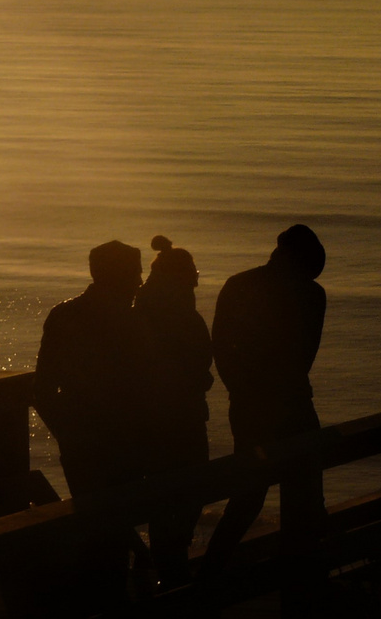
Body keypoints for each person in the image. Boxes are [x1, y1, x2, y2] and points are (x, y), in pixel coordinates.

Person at [198, 224, 328, 588]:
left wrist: (241, 390)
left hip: (255, 405)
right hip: (291, 403)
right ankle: (305, 578)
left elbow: (221, 348)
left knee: (250, 495)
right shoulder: (311, 294)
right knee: (298, 493)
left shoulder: (239, 285)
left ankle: (211, 576)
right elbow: (304, 356)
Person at [31, 239, 148, 613]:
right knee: (110, 529)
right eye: (135, 273)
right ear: (119, 277)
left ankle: (100, 598)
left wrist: (67, 430)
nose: (140, 283)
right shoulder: (129, 322)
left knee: (98, 526)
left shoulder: (64, 315)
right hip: (119, 440)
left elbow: (43, 389)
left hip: (83, 438)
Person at [134, 234, 214, 589]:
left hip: (154, 419)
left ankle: (160, 565)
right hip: (179, 419)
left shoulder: (146, 309)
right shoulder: (178, 314)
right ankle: (170, 569)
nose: (198, 277)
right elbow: (191, 366)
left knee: (167, 494)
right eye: (193, 271)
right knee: (186, 491)